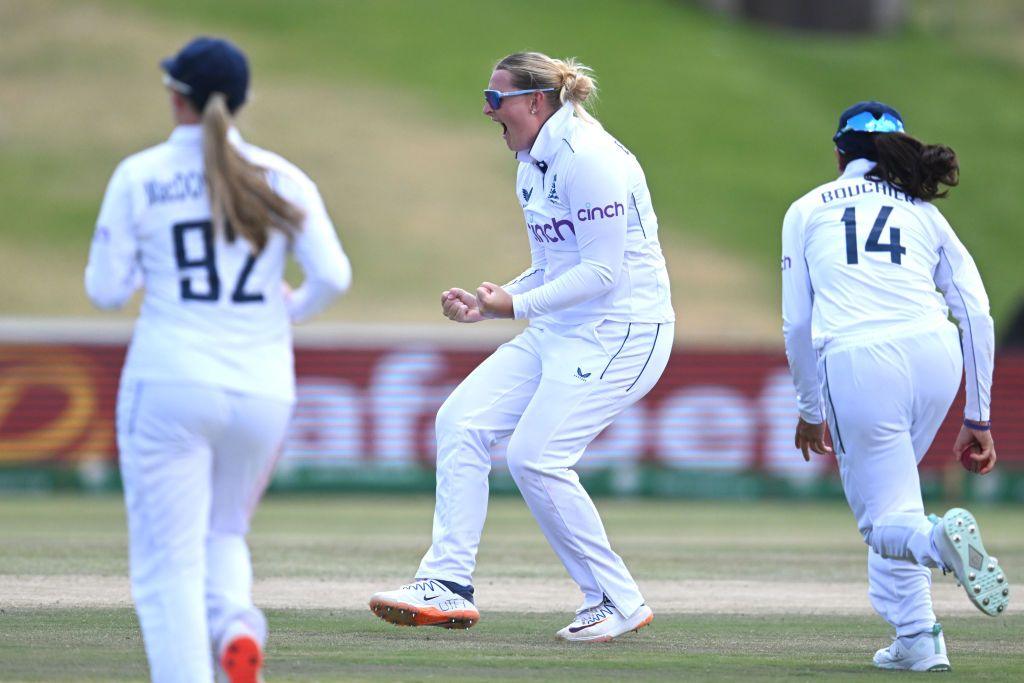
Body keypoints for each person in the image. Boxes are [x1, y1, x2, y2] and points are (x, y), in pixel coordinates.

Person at [368, 51, 675, 642]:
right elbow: (549, 266)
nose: (488, 112)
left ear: (536, 101)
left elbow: (603, 273)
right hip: (561, 330)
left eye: (495, 99)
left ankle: (616, 600)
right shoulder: (531, 161)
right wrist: (493, 300)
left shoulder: (591, 159)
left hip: (624, 332)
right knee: (460, 421)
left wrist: (517, 306)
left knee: (537, 457)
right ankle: (448, 585)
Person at [85, 36, 351, 682]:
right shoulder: (280, 177)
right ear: (241, 101)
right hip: (264, 387)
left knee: (165, 566)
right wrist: (282, 309)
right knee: (224, 530)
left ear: (175, 96)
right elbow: (333, 276)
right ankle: (235, 623)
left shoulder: (140, 175)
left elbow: (105, 288)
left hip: (171, 378)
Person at [781, 101, 1009, 672]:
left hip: (860, 362)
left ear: (838, 152)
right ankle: (917, 639)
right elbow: (976, 313)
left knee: (884, 525)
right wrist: (978, 418)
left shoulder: (807, 209)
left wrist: (810, 408)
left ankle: (938, 543)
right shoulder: (926, 214)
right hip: (935, 354)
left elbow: (798, 324)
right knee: (897, 498)